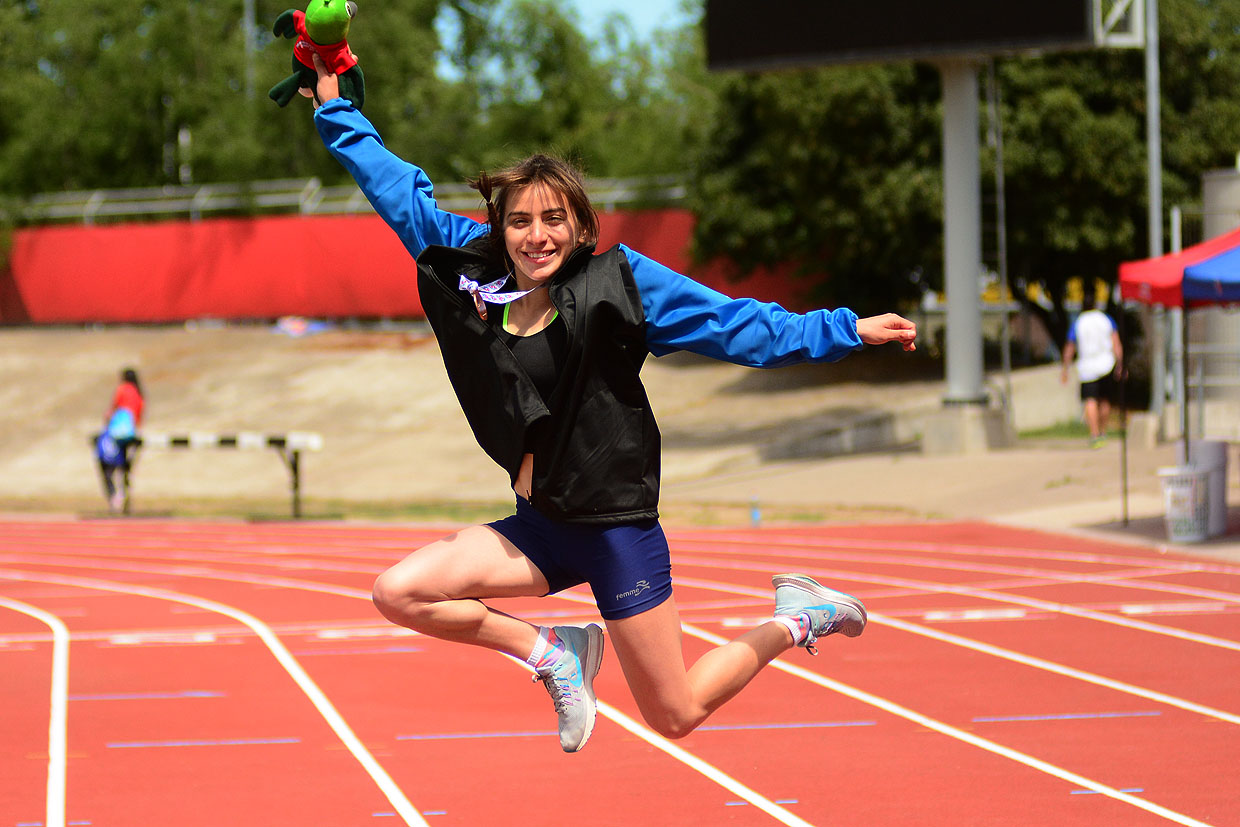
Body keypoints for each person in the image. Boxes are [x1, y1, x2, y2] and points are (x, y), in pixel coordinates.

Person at [302, 53, 918, 752]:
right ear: (499, 229)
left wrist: (845, 329)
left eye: (555, 219)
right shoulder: (471, 269)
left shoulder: (624, 285)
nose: (538, 235)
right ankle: (554, 653)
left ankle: (799, 617)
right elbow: (396, 190)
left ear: (581, 226)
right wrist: (333, 105)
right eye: (521, 221)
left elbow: (741, 326)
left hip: (617, 526)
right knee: (399, 591)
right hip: (542, 527)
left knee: (675, 713)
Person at [1061, 293, 1122, 447]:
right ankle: (1103, 432)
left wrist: (1065, 368)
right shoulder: (1106, 319)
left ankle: (1094, 435)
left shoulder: (1079, 322)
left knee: (1090, 401)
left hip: (1087, 367)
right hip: (1106, 364)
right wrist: (1120, 363)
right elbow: (1116, 342)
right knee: (1104, 399)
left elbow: (1070, 346)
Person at [96, 367, 144, 513]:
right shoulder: (139, 394)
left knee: (106, 465)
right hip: (131, 435)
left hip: (116, 434)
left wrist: (107, 420)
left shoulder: (122, 389)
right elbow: (139, 415)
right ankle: (124, 495)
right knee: (125, 468)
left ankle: (114, 496)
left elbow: (113, 409)